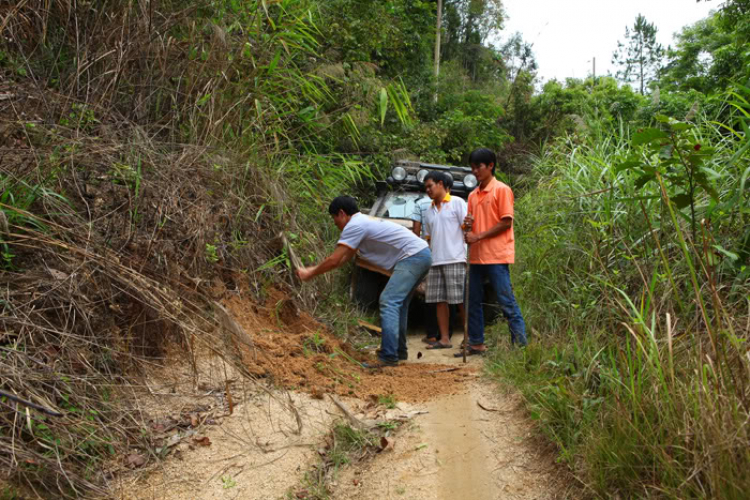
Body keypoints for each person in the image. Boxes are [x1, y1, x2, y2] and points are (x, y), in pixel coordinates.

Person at [297, 196, 432, 367]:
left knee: (389, 300)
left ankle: (388, 355)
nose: (335, 223)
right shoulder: (362, 222)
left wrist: (310, 272)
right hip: (421, 254)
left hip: (413, 256)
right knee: (400, 303)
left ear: (342, 213)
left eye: (334, 218)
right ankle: (398, 351)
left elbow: (334, 259)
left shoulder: (355, 225)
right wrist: (314, 271)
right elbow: (342, 259)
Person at [461, 148, 527, 356]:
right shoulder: (472, 195)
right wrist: (467, 227)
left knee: (506, 301)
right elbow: (471, 226)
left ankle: (521, 347)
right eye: (472, 168)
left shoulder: (502, 190)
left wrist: (478, 236)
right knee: (472, 302)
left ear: (490, 165)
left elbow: (506, 222)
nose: (475, 171)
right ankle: (476, 343)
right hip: (477, 256)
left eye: (478, 166)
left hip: (497, 256)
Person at [421, 172, 467, 350]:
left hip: (455, 258)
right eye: (426, 188)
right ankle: (445, 339)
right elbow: (429, 238)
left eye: (430, 186)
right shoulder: (428, 211)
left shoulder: (457, 203)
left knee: (460, 300)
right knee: (439, 300)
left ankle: (469, 337)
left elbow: (467, 228)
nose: (428, 190)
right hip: (436, 260)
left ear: (440, 184)